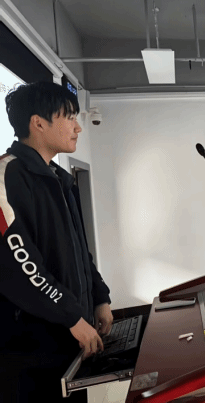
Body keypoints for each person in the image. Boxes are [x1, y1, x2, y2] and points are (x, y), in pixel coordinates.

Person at [0, 82, 112, 403]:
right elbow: (21, 264)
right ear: (38, 123)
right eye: (69, 117)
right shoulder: (7, 176)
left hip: (70, 341)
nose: (78, 127)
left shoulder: (59, 179)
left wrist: (99, 297)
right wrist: (72, 316)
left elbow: (79, 250)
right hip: (30, 354)